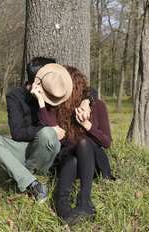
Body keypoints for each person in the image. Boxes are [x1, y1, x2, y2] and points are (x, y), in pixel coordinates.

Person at [0, 57, 91, 203]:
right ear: (38, 81)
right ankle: (32, 183)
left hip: (47, 152)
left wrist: (86, 100)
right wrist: (47, 128)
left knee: (47, 134)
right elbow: (17, 134)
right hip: (24, 148)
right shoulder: (15, 97)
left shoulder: (54, 92)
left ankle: (20, 177)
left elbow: (82, 88)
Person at [38, 66, 115, 224]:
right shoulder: (57, 107)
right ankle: (63, 207)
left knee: (83, 144)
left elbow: (107, 143)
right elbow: (48, 127)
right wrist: (41, 102)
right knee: (71, 158)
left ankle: (85, 200)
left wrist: (87, 125)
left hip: (91, 162)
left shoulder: (97, 106)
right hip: (69, 161)